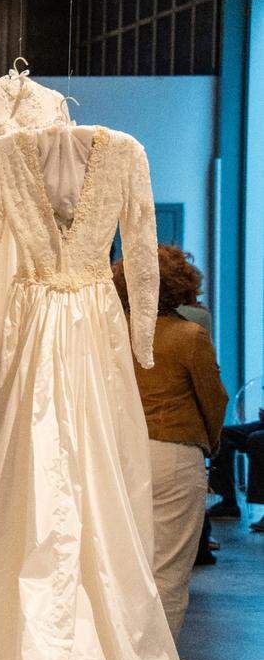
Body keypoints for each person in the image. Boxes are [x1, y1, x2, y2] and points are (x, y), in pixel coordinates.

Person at [112, 245, 228, 639]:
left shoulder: (113, 334)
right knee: (168, 573)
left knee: (124, 567)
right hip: (175, 453)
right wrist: (211, 443)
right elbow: (214, 399)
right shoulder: (189, 336)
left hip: (121, 454)